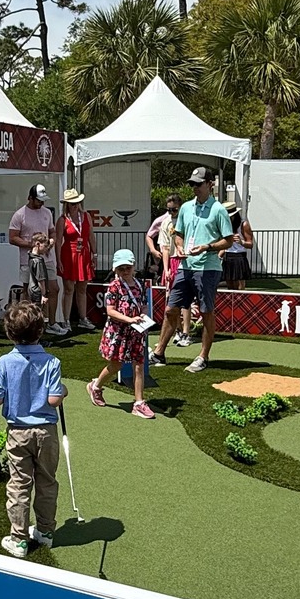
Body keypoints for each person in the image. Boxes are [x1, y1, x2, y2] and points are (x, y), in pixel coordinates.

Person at [0, 299, 66, 559]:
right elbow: (54, 399)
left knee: (19, 483)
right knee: (47, 480)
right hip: (46, 431)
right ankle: (45, 532)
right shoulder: (52, 362)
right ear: (41, 330)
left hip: (18, 431)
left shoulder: (3, 363)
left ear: (10, 333)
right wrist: (63, 391)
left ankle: (19, 539)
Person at [152, 168, 232, 374]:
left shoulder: (219, 210)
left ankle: (203, 356)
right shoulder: (186, 208)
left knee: (206, 312)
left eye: (198, 183)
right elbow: (178, 233)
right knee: (171, 309)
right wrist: (178, 246)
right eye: (192, 184)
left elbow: (229, 240)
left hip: (208, 268)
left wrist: (208, 247)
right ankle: (159, 352)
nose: (194, 187)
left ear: (209, 184)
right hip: (186, 266)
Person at [86, 249, 153, 419]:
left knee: (139, 365)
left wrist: (143, 316)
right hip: (118, 332)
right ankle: (96, 386)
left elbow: (144, 305)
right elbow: (110, 311)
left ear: (133, 267)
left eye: (128, 268)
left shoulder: (139, 285)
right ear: (115, 269)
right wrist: (129, 320)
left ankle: (139, 403)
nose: (125, 271)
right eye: (121, 268)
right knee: (116, 364)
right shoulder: (114, 287)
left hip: (137, 331)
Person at [8, 183, 59, 333]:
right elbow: (12, 238)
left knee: (54, 289)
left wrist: (51, 242)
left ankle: (51, 322)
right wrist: (31, 245)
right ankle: (26, 323)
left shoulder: (47, 213)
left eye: (43, 200)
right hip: (28, 260)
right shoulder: (20, 214)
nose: (42, 203)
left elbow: (52, 232)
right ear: (30, 198)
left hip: (47, 258)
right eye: (39, 200)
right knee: (28, 291)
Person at [146, 193, 192, 345]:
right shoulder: (165, 222)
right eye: (169, 209)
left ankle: (186, 332)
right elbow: (164, 247)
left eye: (175, 209)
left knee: (186, 300)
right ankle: (178, 331)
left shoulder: (187, 220)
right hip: (172, 261)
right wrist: (166, 269)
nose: (171, 212)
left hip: (186, 260)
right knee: (172, 298)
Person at [56, 188, 96, 335]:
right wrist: (58, 260)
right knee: (68, 289)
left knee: (82, 288)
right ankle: (66, 320)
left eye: (76, 203)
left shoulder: (86, 216)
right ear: (66, 204)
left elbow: (91, 236)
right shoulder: (62, 220)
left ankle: (83, 318)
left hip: (84, 254)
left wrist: (94, 254)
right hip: (69, 255)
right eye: (71, 203)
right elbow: (58, 241)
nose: (74, 206)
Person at [222, 202, 254, 289]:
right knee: (230, 286)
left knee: (239, 287)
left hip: (239, 257)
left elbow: (250, 244)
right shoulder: (224, 225)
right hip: (227, 256)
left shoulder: (243, 225)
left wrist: (241, 242)